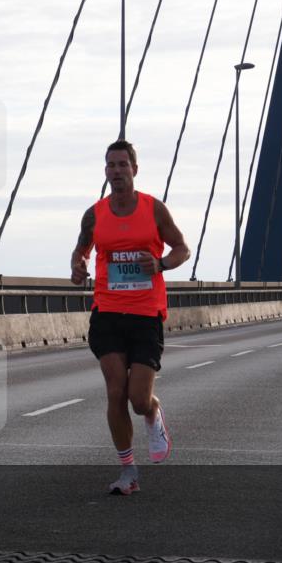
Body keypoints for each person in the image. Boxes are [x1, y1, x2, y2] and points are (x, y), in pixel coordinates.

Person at [70, 140, 191, 495]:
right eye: (111, 165)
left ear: (134, 170)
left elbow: (182, 248)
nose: (117, 171)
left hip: (145, 313)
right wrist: (78, 266)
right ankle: (128, 472)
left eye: (123, 164)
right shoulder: (95, 214)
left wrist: (161, 264)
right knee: (115, 391)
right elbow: (81, 251)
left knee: (138, 398)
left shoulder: (154, 210)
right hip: (107, 312)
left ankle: (153, 413)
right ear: (105, 171)